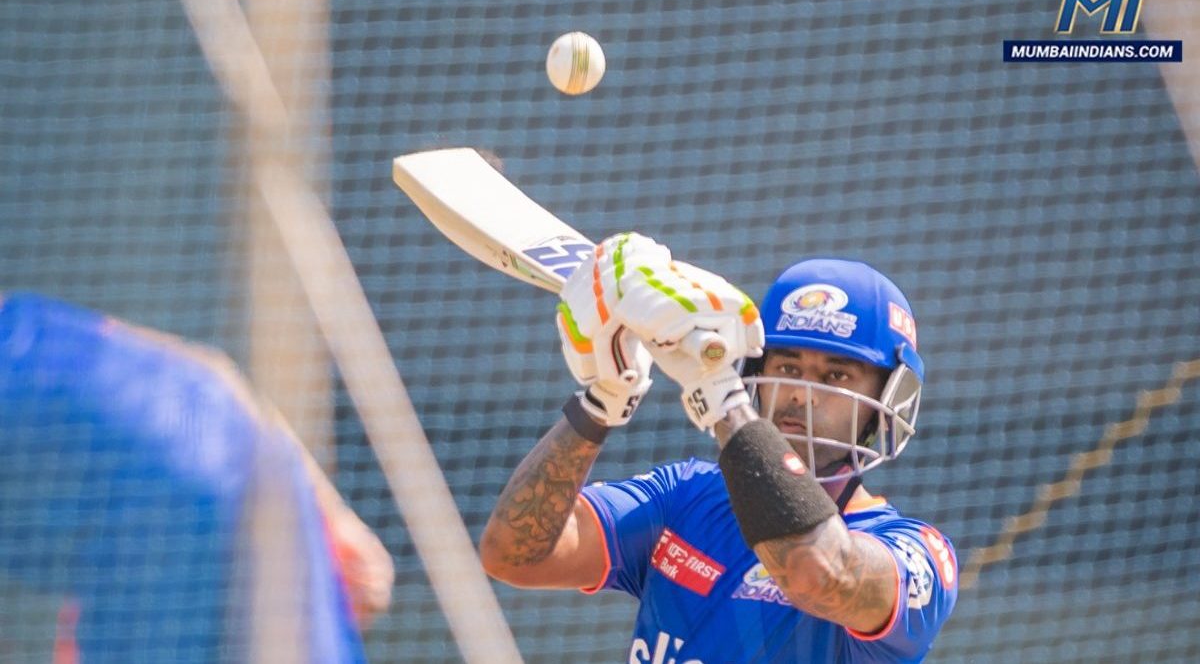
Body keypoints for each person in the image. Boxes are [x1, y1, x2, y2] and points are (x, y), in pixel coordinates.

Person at [480, 233, 957, 663]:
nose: (801, 394)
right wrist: (603, 400)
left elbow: (820, 571)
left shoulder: (920, 554)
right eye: (788, 369)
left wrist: (719, 395)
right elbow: (513, 554)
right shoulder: (686, 495)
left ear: (885, 400)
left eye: (836, 376)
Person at [0, 292, 393, 663]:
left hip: (165, 509)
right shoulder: (32, 320)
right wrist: (335, 516)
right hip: (256, 458)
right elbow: (212, 366)